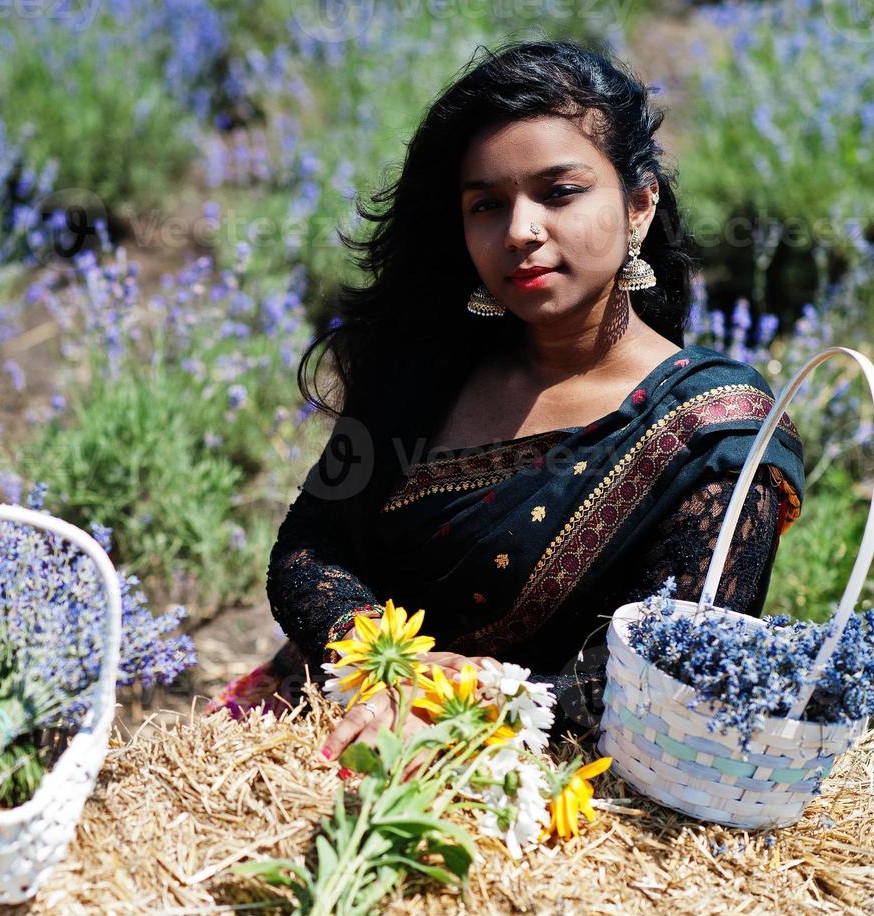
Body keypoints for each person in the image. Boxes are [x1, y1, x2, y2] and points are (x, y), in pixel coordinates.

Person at [202, 39, 806, 767]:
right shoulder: (420, 368)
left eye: (559, 192)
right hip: (328, 714)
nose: (520, 231)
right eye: (486, 204)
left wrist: (456, 709)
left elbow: (672, 681)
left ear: (639, 205)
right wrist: (385, 673)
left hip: (530, 775)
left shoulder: (710, 430)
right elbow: (308, 546)